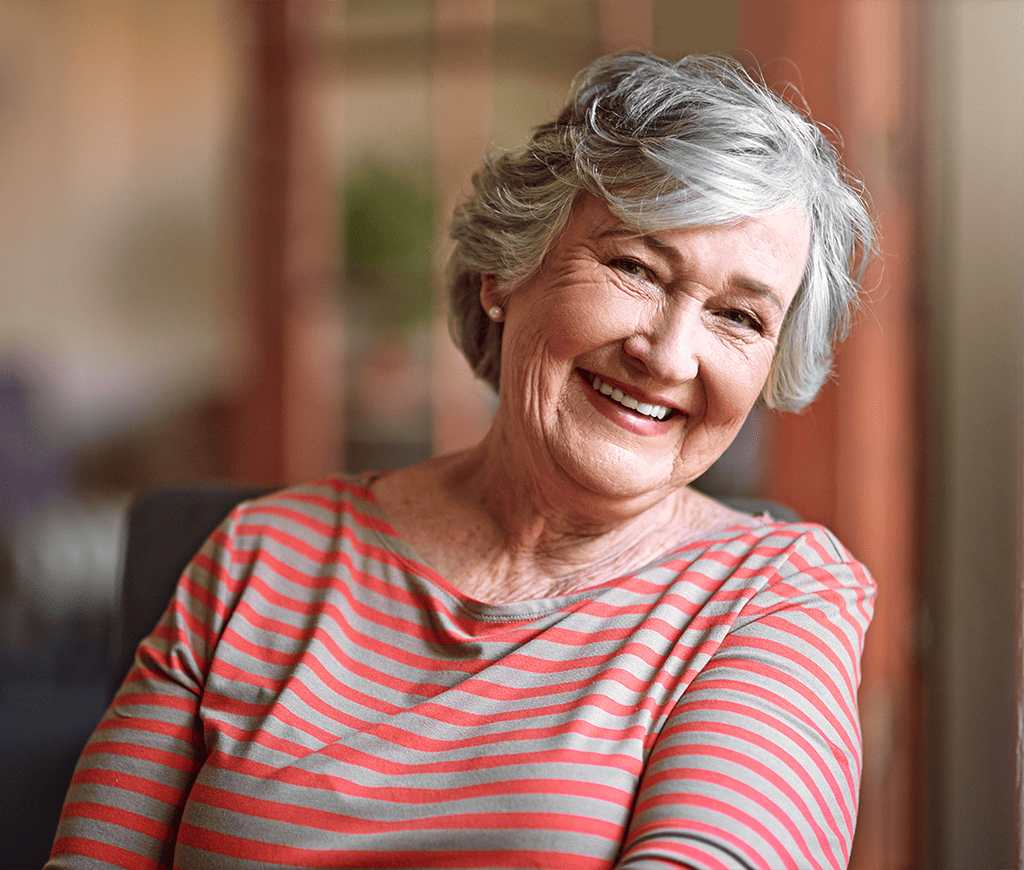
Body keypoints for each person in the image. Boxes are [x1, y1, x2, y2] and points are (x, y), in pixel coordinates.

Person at [48, 52, 875, 869]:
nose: (668, 356)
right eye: (634, 267)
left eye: (738, 317)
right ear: (502, 276)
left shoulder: (776, 599)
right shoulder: (257, 557)